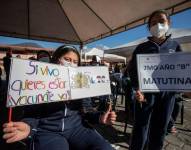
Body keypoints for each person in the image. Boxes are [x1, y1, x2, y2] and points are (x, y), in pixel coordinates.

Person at [3, 45, 116, 150]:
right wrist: (28, 127)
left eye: (75, 62)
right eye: (67, 59)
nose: (71, 63)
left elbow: (87, 111)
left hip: (77, 128)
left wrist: (100, 117)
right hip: (48, 131)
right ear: (57, 60)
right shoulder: (40, 81)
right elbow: (31, 113)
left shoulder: (81, 82)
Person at [129, 10, 182, 150]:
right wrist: (137, 88)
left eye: (161, 21)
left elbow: (181, 71)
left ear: (168, 24)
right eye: (153, 23)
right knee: (141, 129)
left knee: (160, 130)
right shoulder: (141, 47)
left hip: (167, 96)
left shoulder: (175, 46)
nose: (157, 25)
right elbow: (132, 71)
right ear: (149, 27)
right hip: (145, 96)